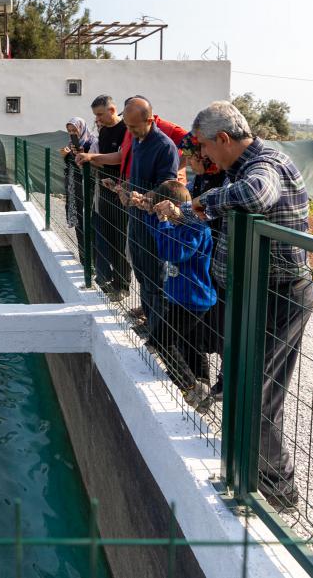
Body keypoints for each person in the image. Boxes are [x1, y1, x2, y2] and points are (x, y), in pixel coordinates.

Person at [158, 100, 313, 511]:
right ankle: (246, 470)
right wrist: (185, 215)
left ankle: (276, 490)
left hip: (279, 295)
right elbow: (223, 214)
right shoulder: (236, 170)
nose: (203, 157)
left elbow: (256, 196)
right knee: (239, 378)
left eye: (206, 149)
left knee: (258, 394)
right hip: (247, 291)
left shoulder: (266, 164)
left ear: (224, 138)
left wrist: (201, 203)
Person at [112, 97, 181, 351]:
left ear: (150, 120)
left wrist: (149, 197)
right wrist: (124, 189)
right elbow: (136, 178)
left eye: (133, 128)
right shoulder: (138, 141)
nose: (129, 132)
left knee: (155, 278)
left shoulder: (165, 146)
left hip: (155, 224)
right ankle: (150, 322)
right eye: (127, 127)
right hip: (136, 218)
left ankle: (159, 336)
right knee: (141, 272)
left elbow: (168, 186)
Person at [148, 178, 218, 405]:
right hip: (182, 297)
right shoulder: (177, 226)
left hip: (193, 299)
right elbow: (160, 239)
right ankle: (201, 382)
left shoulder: (195, 228)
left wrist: (164, 222)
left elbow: (173, 253)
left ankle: (190, 385)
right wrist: (150, 213)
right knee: (190, 342)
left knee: (161, 340)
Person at [87, 95, 131, 298]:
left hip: (121, 195)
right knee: (109, 238)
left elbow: (120, 159)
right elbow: (104, 162)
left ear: (112, 110)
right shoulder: (104, 133)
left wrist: (93, 158)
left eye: (100, 114)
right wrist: (92, 161)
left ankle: (123, 285)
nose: (97, 119)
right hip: (104, 191)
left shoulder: (125, 131)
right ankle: (113, 280)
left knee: (121, 240)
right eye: (95, 115)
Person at [59, 117, 96, 246]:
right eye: (69, 131)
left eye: (74, 130)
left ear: (82, 128)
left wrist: (82, 154)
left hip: (88, 187)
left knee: (89, 221)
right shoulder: (71, 144)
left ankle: (91, 257)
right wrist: (67, 156)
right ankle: (82, 254)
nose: (72, 133)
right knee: (79, 220)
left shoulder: (92, 143)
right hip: (74, 187)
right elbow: (71, 165)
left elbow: (91, 165)